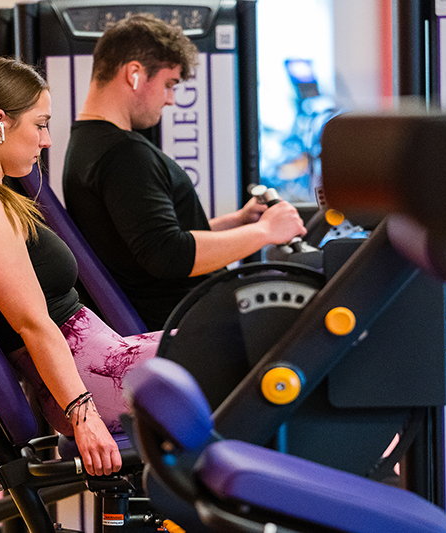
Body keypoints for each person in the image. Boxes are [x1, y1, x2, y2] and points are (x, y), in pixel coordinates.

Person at [0, 58, 162, 477]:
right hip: (92, 381)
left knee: (236, 334)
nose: (47, 140)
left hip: (103, 364)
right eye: (40, 124)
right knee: (248, 340)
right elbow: (33, 323)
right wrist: (82, 414)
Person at [63, 14, 308, 331]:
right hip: (190, 329)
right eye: (168, 84)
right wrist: (265, 232)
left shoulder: (87, 143)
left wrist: (235, 224)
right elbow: (170, 256)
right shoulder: (124, 154)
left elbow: (146, 240)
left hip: (188, 317)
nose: (170, 99)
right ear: (134, 74)